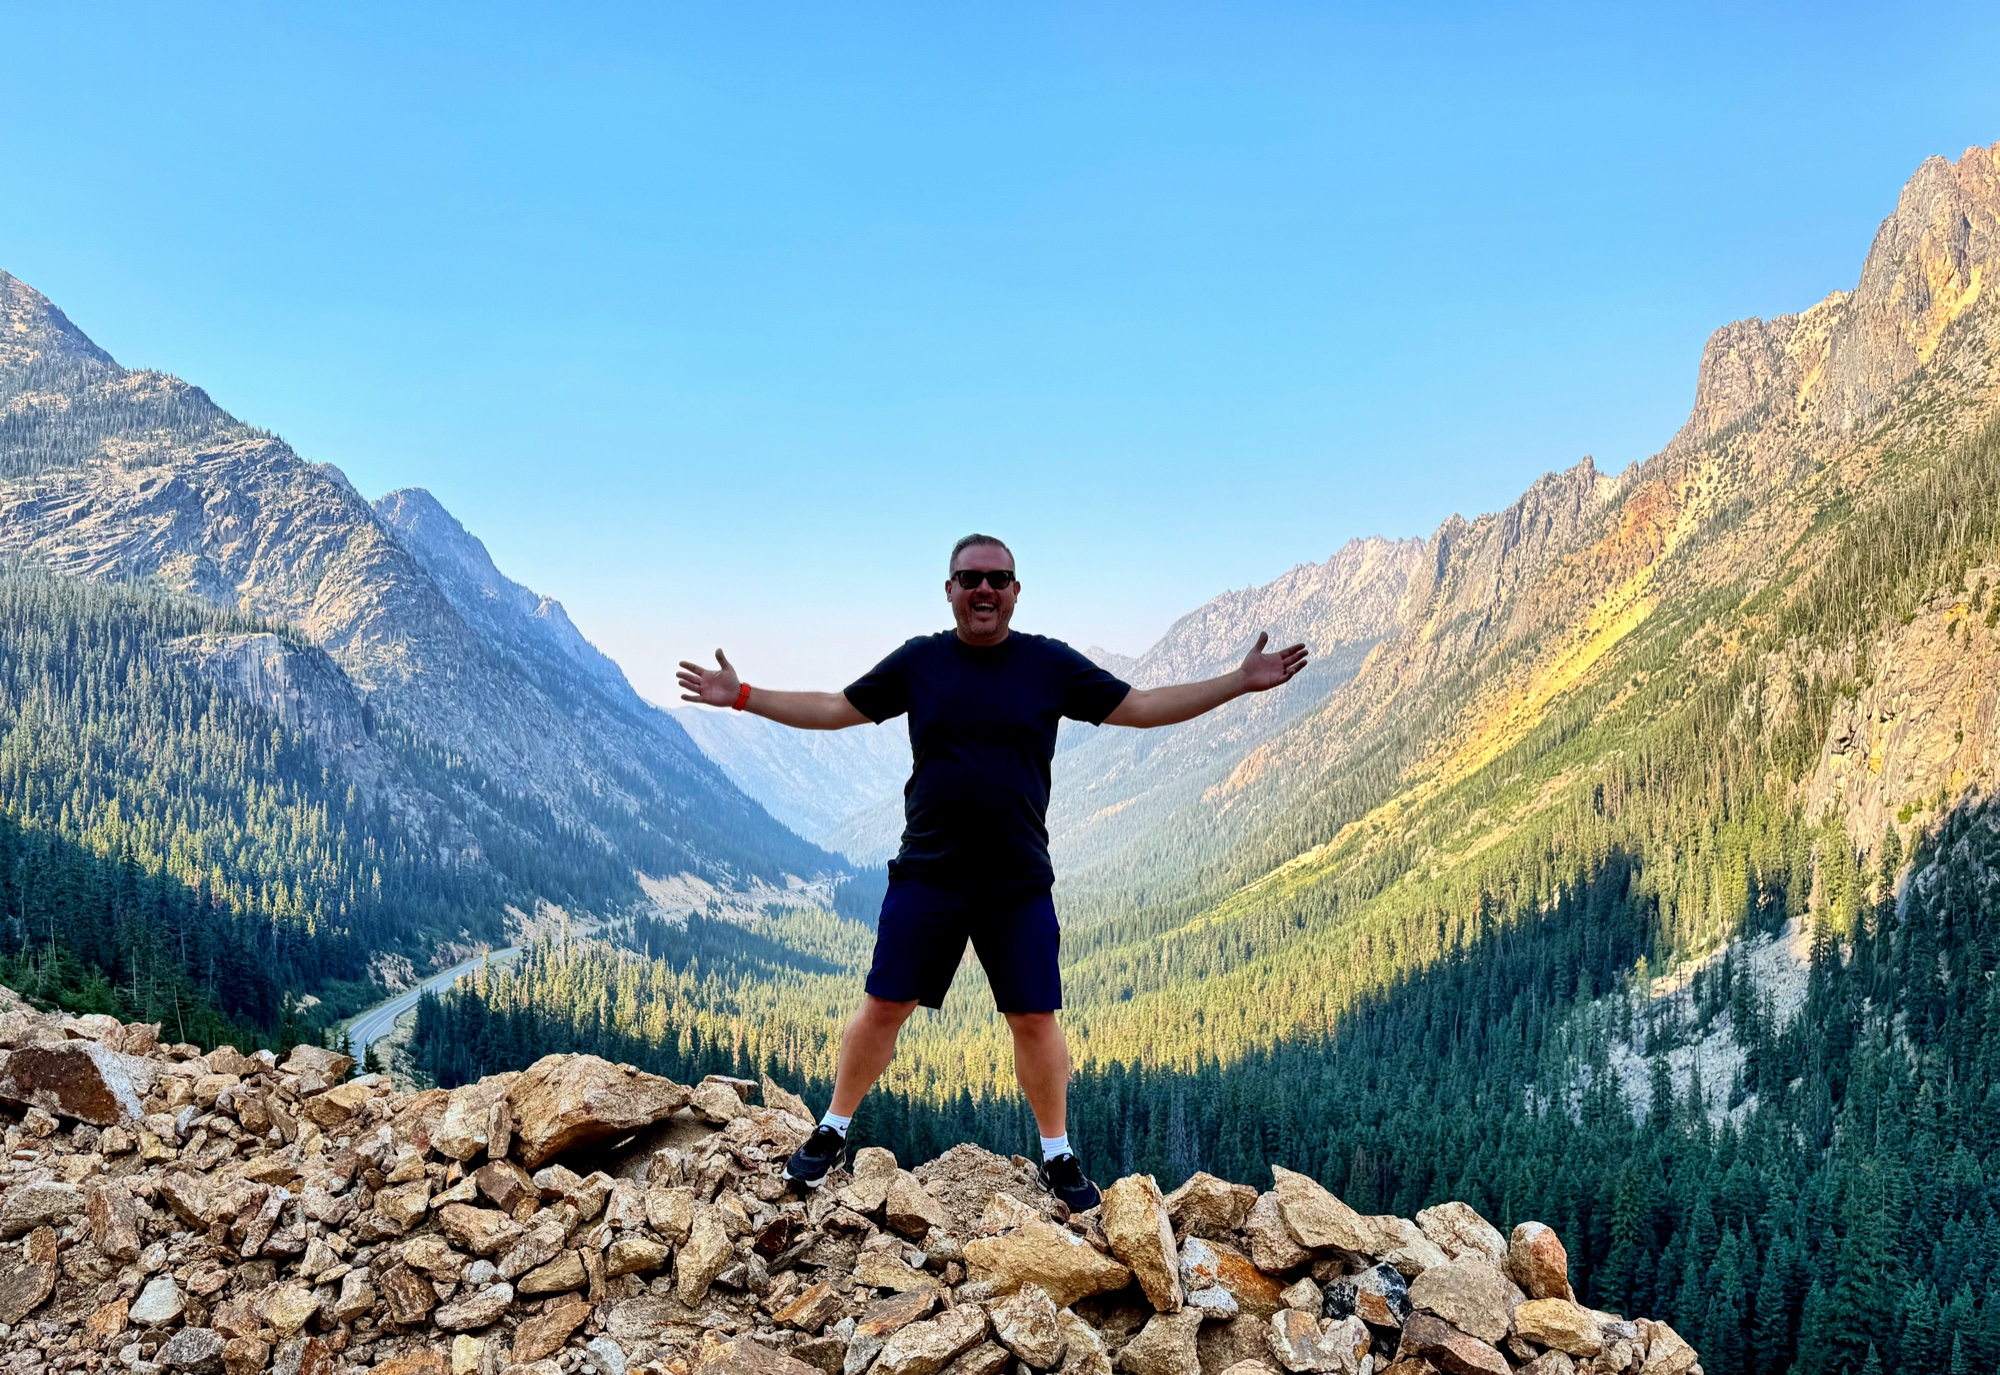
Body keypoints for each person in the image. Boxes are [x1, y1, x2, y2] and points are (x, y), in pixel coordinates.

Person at [677, 534, 1307, 1209]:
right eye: (971, 577)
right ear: (948, 589)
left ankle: (1057, 1155)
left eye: (999, 578)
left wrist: (1240, 682)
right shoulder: (921, 662)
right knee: (884, 1005)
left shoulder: (1048, 664)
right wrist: (740, 693)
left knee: (1035, 1018)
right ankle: (832, 1128)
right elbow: (835, 709)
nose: (985, 589)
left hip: (1017, 882)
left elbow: (1144, 707)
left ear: (1015, 590)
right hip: (928, 874)